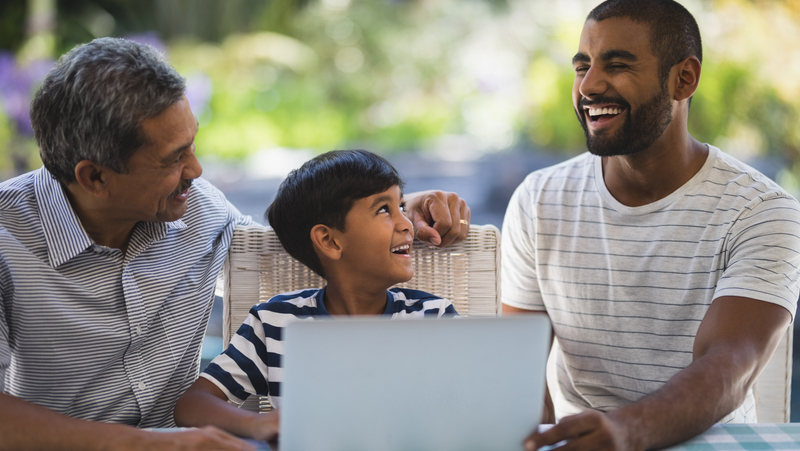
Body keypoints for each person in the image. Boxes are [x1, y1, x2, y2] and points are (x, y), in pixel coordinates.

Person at [0, 38, 470, 450]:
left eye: (192, 145)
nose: (197, 171)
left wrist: (398, 209)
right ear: (95, 176)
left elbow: (304, 236)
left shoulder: (200, 209)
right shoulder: (6, 236)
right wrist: (144, 446)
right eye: (173, 158)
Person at [501, 1, 800, 450]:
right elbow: (519, 370)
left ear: (684, 79)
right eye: (582, 67)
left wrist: (629, 430)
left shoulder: (761, 210)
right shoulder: (538, 199)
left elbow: (728, 365)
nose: (590, 85)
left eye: (617, 65)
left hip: (713, 442)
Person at [173, 149, 457, 443]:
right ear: (329, 241)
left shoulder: (433, 317)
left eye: (400, 205)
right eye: (384, 209)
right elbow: (192, 405)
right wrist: (258, 424)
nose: (406, 223)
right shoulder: (275, 323)